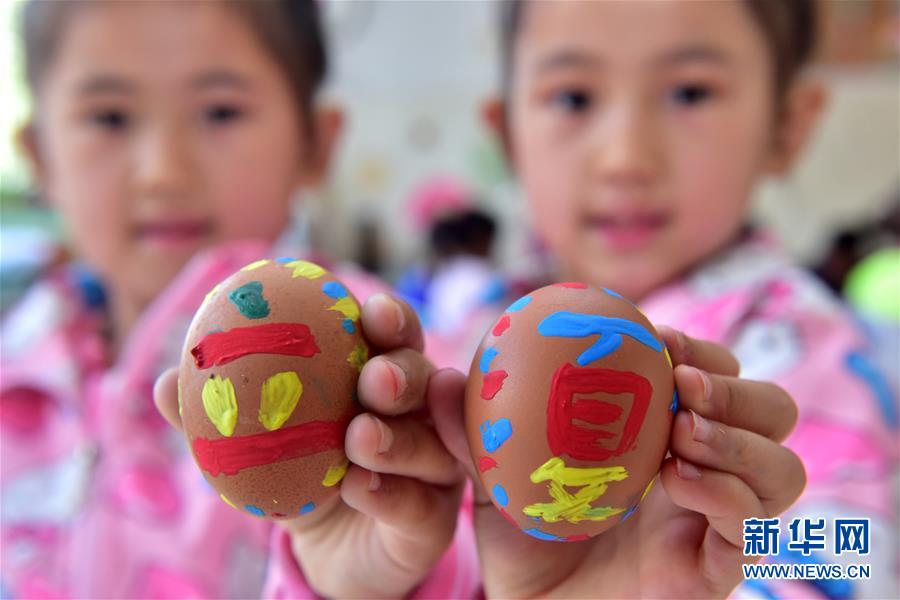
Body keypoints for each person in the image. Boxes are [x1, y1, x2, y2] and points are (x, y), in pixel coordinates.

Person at [1, 2, 470, 597]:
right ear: (39, 156)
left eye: (220, 112)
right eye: (110, 117)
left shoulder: (376, 354)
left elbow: (478, 549)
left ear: (315, 145)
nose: (163, 171)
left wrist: (377, 581)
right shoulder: (17, 365)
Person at [466, 0, 896, 597]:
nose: (625, 159)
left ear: (788, 125)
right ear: (507, 133)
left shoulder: (804, 349)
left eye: (691, 93)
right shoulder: (468, 328)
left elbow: (847, 561)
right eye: (573, 98)